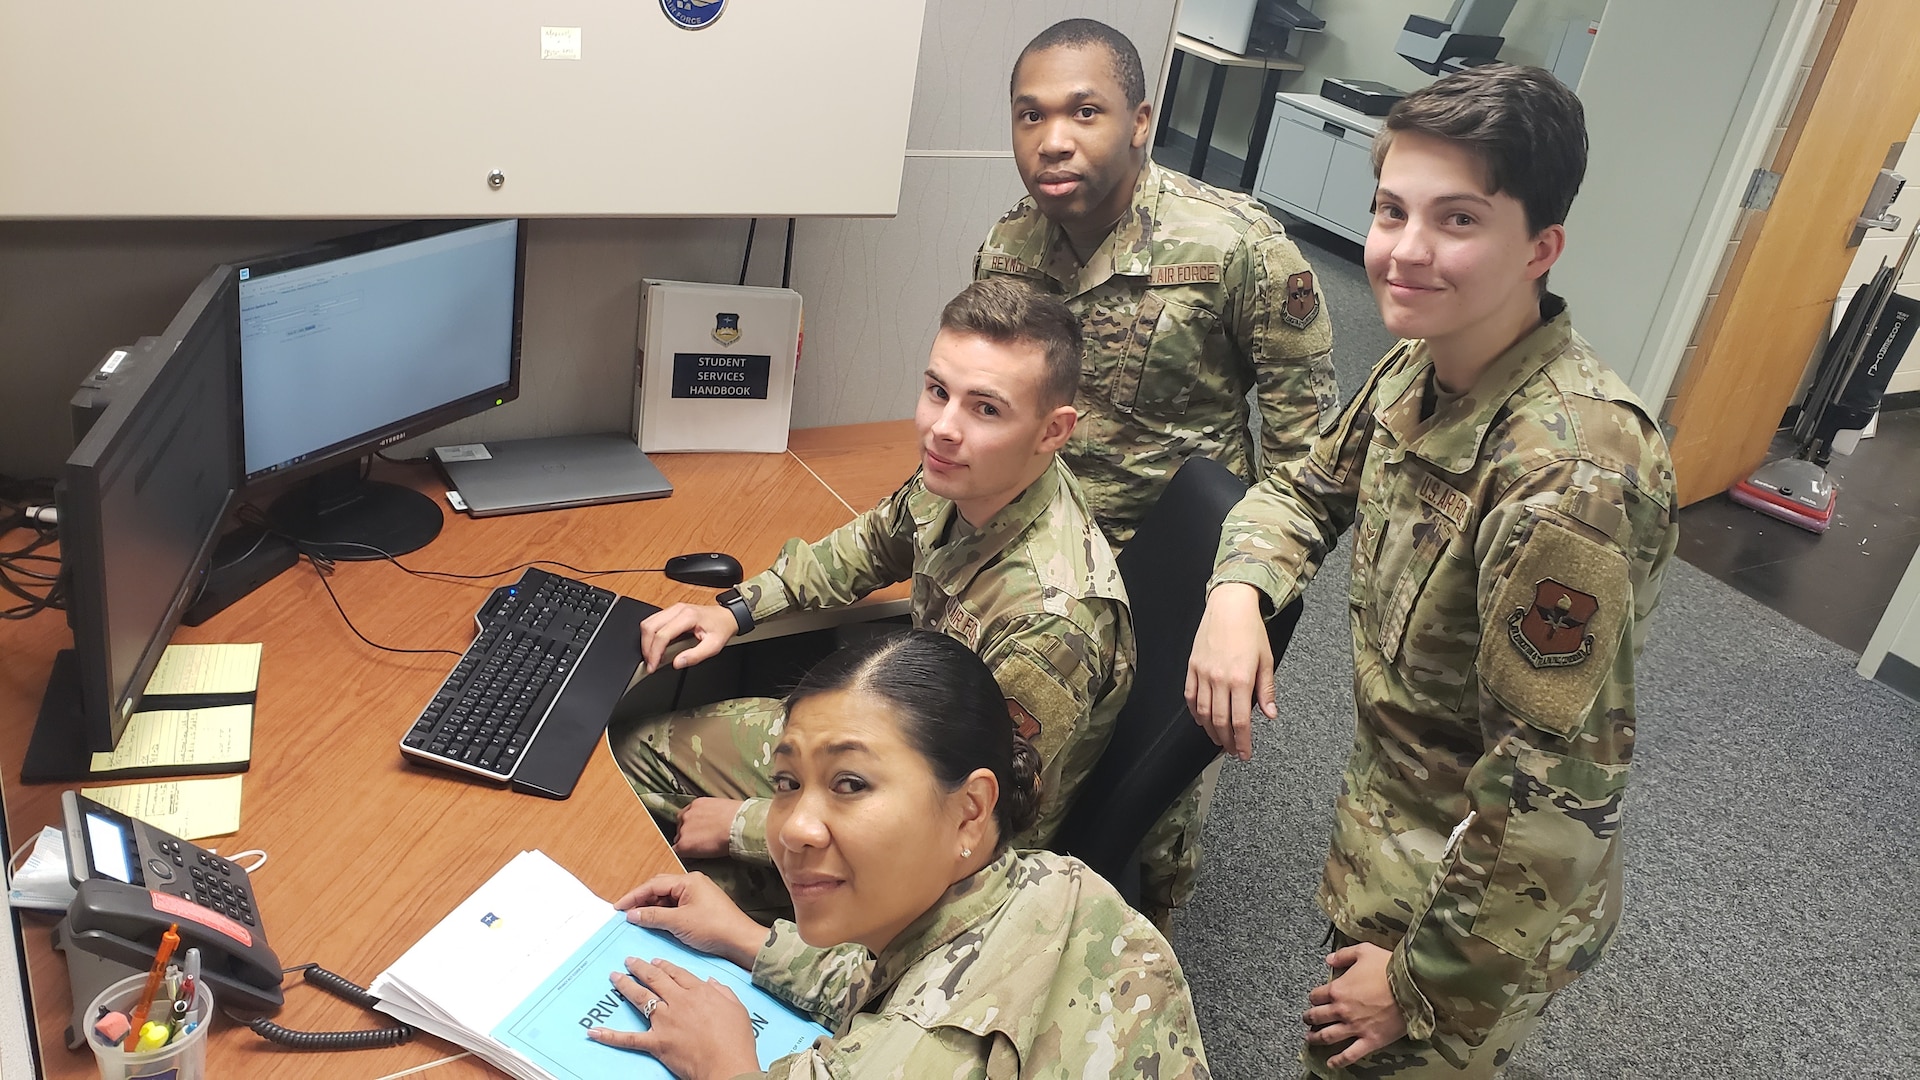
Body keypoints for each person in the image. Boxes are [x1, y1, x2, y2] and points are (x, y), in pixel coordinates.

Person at [1184, 65, 1679, 1077]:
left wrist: (1419, 983)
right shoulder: (1425, 358)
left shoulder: (1569, 477)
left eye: (1456, 219)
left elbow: (1551, 797)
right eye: (1390, 210)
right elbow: (1305, 489)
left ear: (1540, 247)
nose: (1405, 251)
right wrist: (1236, 592)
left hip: (1479, 910)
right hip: (1398, 830)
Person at [609, 278, 1131, 919]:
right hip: (894, 740)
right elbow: (868, 546)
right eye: (938, 391)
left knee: (684, 898)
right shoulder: (970, 477)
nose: (942, 429)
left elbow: (962, 831)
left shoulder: (1049, 624)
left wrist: (747, 826)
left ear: (1053, 431)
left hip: (944, 862)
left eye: (985, 409)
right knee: (644, 750)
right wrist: (735, 610)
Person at [975, 16, 1338, 930]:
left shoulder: (1236, 248)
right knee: (1013, 782)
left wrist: (1248, 594)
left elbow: (1314, 460)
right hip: (1043, 569)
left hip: (1173, 578)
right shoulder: (1010, 248)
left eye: (1084, 111)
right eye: (1030, 115)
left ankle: (1144, 959)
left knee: (1147, 817)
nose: (1052, 139)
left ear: (1140, 121)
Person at [588, 630, 1211, 1080]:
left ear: (969, 809)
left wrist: (724, 1067)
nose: (796, 828)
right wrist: (747, 937)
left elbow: (923, 1032)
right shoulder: (1056, 882)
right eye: (786, 783)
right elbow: (913, 973)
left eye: (850, 784)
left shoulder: (909, 1058)